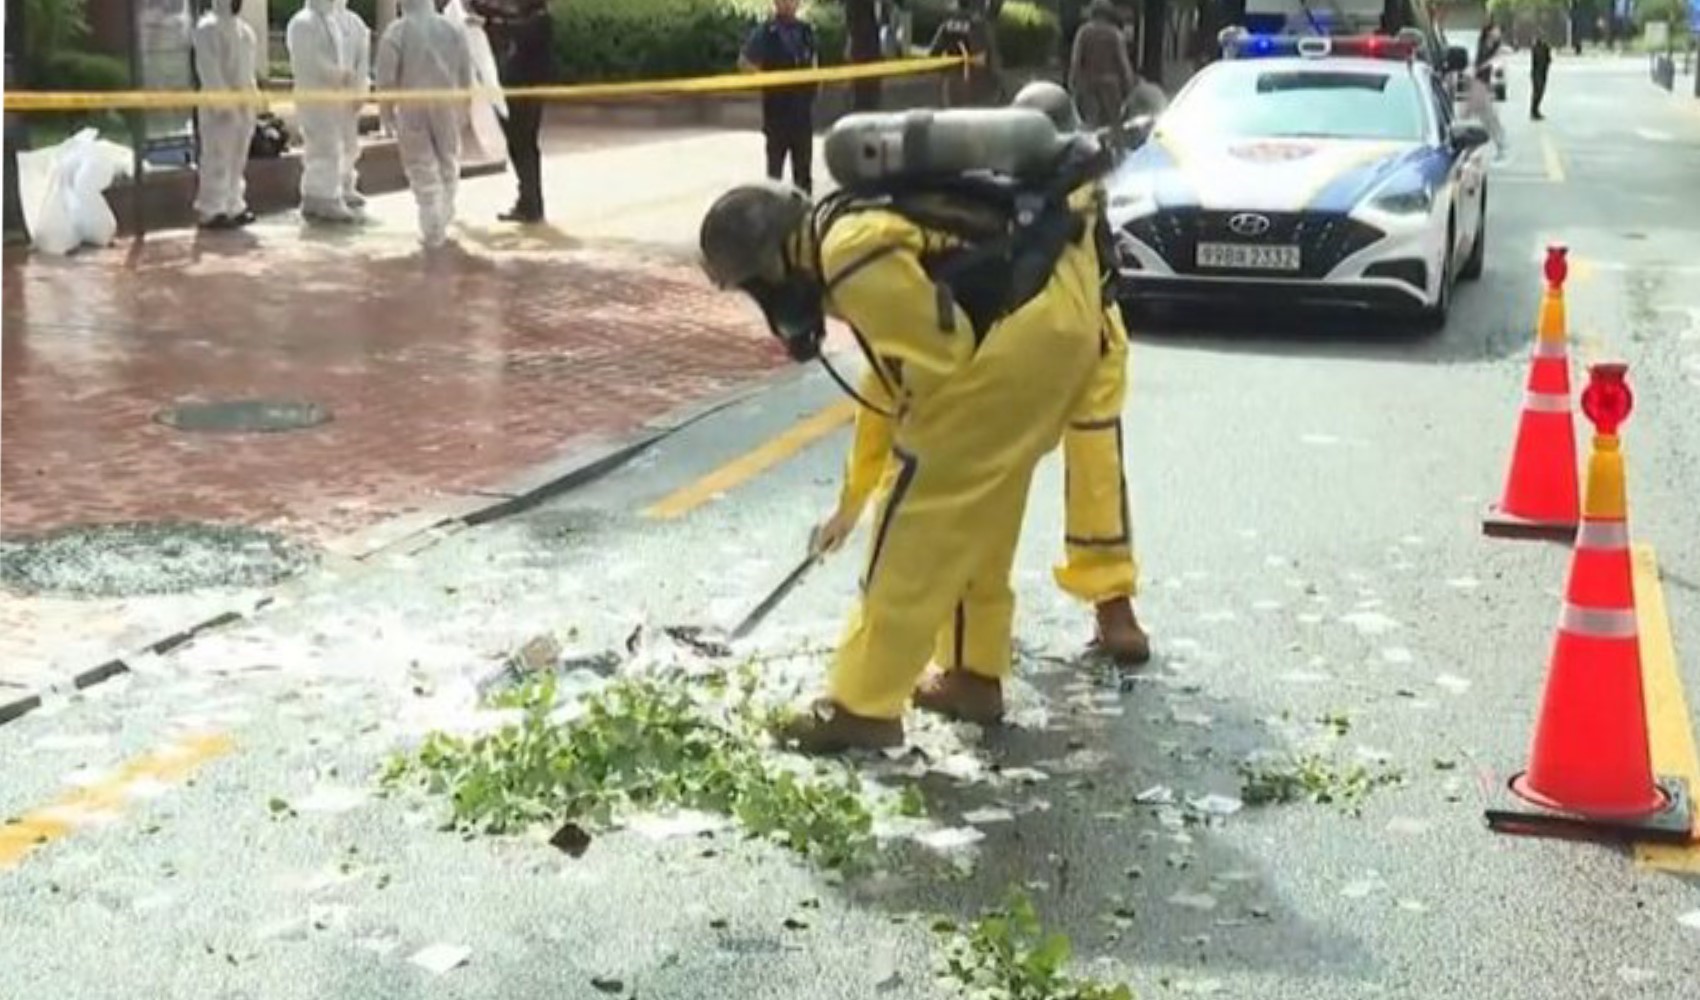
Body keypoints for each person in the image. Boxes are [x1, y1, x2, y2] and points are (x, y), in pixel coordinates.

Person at [697, 129, 1113, 753]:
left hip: (1014, 348)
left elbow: (936, 355)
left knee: (913, 522)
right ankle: (974, 674)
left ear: (779, 255)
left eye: (757, 284)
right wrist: (851, 496)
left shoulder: (848, 256)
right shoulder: (852, 230)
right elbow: (891, 375)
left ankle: (864, 706)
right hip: (1056, 330)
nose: (767, 301)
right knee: (979, 516)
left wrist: (889, 476)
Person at [813, 79, 1151, 673]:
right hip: (1096, 336)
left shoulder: (986, 207)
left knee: (974, 483)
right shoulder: (1081, 184)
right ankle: (1111, 608)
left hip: (1019, 346)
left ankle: (954, 655)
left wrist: (852, 503)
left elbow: (885, 392)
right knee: (1094, 468)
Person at [376, 0, 473, 247]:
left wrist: (386, 113)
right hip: (447, 104)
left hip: (412, 106)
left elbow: (386, 79)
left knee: (421, 165)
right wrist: (465, 106)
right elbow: (466, 74)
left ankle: (433, 224)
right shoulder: (453, 29)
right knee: (448, 162)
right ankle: (443, 213)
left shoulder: (397, 31)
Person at [471, 0, 554, 222]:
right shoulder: (532, 18)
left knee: (523, 145)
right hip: (521, 92)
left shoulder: (539, 21)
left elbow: (511, 29)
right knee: (520, 146)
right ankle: (528, 200)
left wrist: (489, 20)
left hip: (526, 94)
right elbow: (505, 19)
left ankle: (531, 203)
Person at [287, 0, 359, 222]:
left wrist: (342, 76)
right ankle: (323, 197)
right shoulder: (303, 23)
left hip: (330, 97)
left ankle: (323, 195)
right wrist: (336, 74)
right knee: (322, 145)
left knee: (331, 145)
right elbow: (311, 61)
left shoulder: (328, 21)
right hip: (313, 96)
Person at [191, 0, 260, 229]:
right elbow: (208, 69)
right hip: (217, 108)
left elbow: (249, 71)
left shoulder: (246, 32)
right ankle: (212, 208)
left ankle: (234, 203)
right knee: (216, 156)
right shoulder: (206, 28)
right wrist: (223, 102)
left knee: (238, 157)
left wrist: (253, 97)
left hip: (243, 106)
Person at [740, 0, 819, 194]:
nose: (789, 4)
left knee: (803, 174)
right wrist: (767, 78)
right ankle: (773, 217)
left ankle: (804, 215)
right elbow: (745, 63)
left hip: (802, 115)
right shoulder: (766, 32)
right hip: (777, 114)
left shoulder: (805, 31)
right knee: (774, 176)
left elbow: (815, 62)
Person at [1068, 0, 1134, 129]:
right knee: (1113, 125)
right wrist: (1129, 85)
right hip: (1111, 85)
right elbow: (1124, 63)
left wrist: (1072, 82)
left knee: (1091, 123)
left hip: (1088, 83)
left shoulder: (1083, 32)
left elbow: (1075, 60)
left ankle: (1093, 147)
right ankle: (1113, 146)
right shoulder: (1115, 34)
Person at [332, 0, 372, 210]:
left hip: (349, 95)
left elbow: (363, 60)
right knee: (329, 143)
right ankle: (330, 188)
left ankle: (347, 184)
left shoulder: (356, 23)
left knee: (350, 143)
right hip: (328, 94)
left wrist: (361, 88)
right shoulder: (319, 21)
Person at [1467, 24, 1506, 158]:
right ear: (1489, 32)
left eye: (1499, 31)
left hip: (1483, 83)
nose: (1498, 32)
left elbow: (1493, 63)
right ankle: (1498, 142)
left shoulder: (1495, 46)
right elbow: (1479, 62)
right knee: (1482, 115)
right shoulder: (1483, 44)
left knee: (1486, 115)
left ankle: (1499, 142)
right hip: (1479, 83)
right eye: (1496, 30)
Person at [1530, 31, 1552, 121]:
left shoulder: (1545, 47)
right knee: (1537, 92)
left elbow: (1549, 59)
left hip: (1542, 72)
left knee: (1540, 92)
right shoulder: (1535, 48)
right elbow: (1535, 61)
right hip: (1537, 73)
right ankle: (1534, 111)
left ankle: (1535, 110)